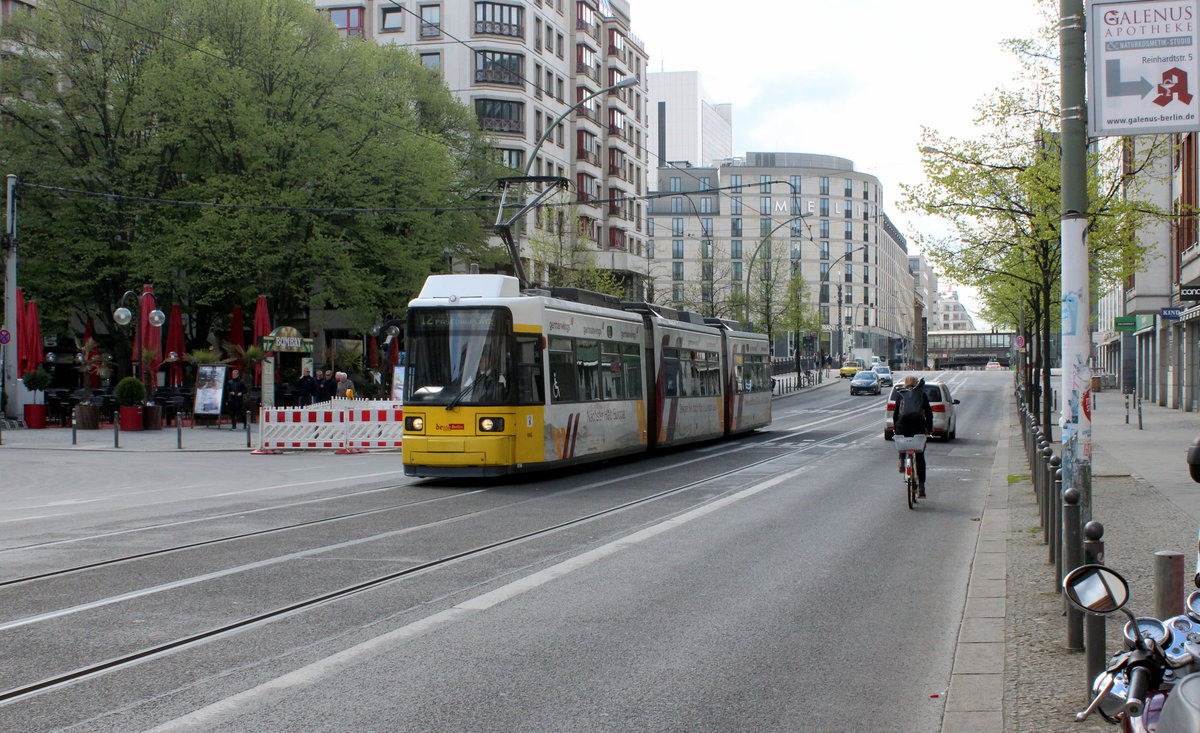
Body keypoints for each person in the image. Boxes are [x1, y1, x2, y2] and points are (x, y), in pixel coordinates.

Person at [892, 375, 933, 497]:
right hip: (918, 427)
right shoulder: (921, 395)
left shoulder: (901, 394)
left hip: (903, 427)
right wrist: (929, 429)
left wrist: (896, 429)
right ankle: (921, 486)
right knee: (920, 456)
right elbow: (929, 414)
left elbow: (895, 414)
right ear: (916, 383)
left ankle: (901, 459)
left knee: (902, 443)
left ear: (905, 383)